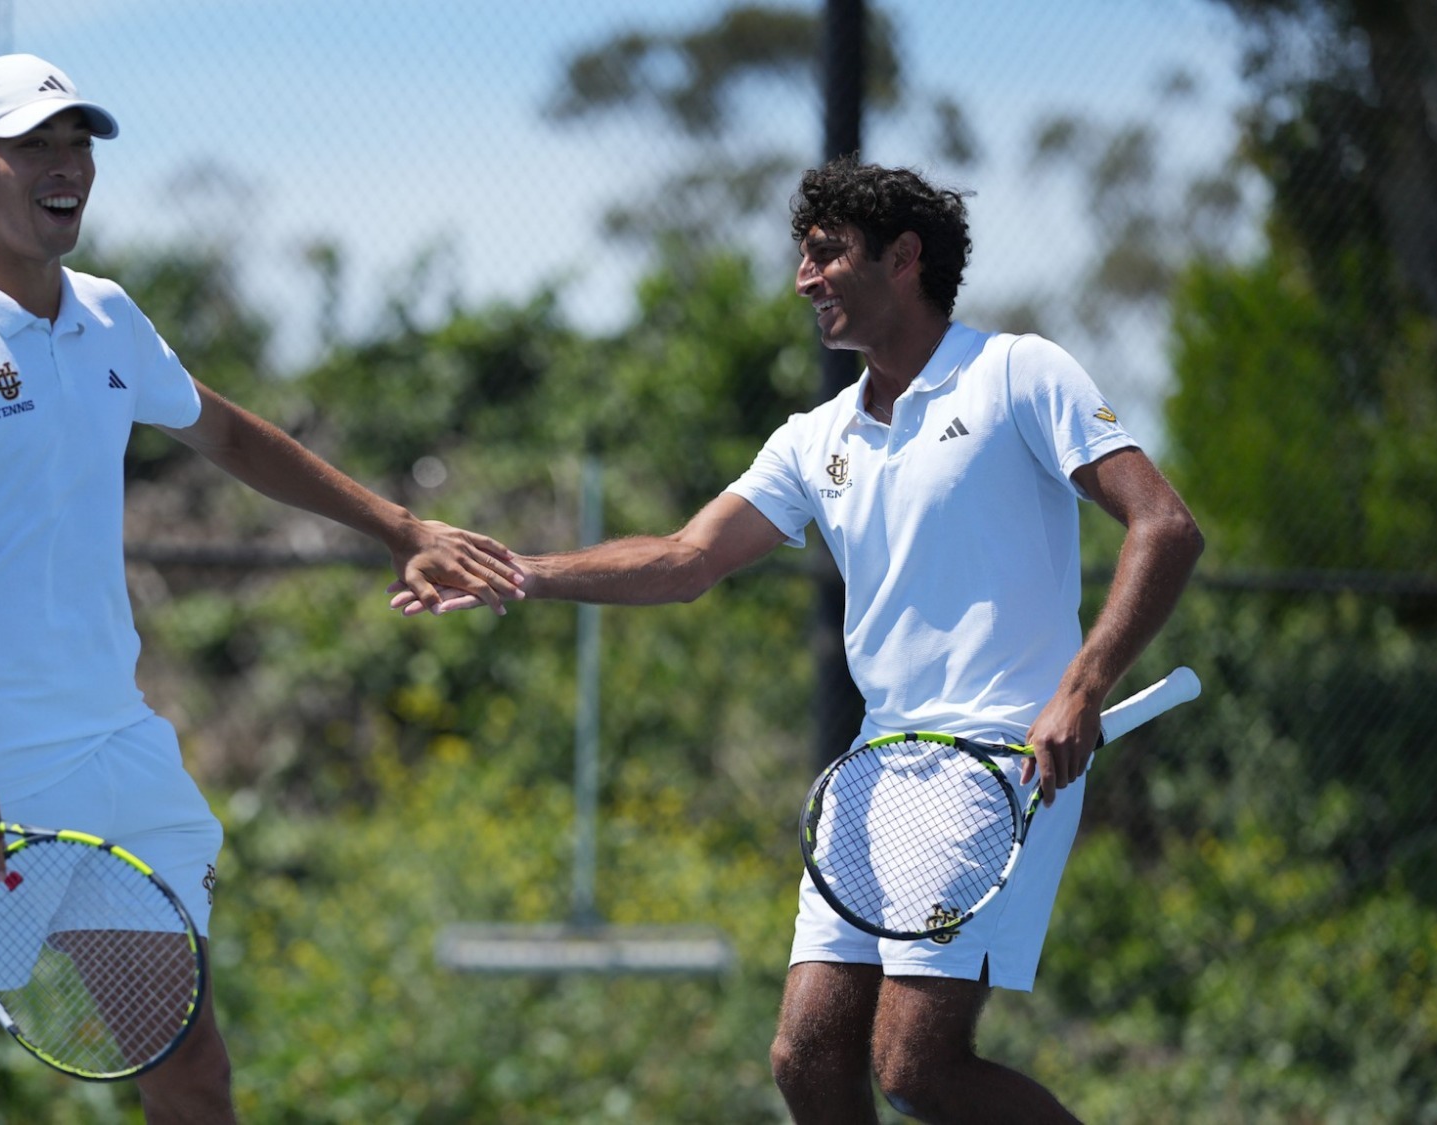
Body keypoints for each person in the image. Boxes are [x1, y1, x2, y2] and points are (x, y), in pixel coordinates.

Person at [395, 157, 1204, 1122]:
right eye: (803, 256)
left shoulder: (1018, 373)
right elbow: (686, 557)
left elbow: (1165, 525)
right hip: (876, 771)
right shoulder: (812, 436)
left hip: (1001, 759)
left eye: (826, 254)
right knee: (808, 1058)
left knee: (915, 1067)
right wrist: (517, 571)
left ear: (904, 258)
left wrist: (1082, 684)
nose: (803, 279)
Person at [0, 54, 523, 1124]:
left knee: (189, 1071)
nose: (64, 168)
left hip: (114, 752)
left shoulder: (107, 318)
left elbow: (226, 432)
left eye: (77, 144)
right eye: (33, 146)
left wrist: (397, 525)